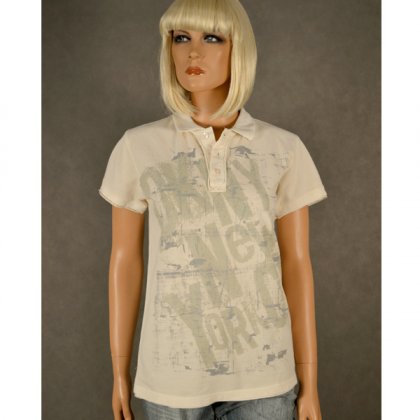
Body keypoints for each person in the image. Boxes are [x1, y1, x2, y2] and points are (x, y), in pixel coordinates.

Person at [98, 0, 327, 419]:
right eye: (180, 38)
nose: (193, 52)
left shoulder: (283, 149)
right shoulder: (139, 146)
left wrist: (309, 380)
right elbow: (124, 260)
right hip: (171, 381)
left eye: (212, 38)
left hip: (265, 378)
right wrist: (119, 371)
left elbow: (296, 265)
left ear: (239, 48)